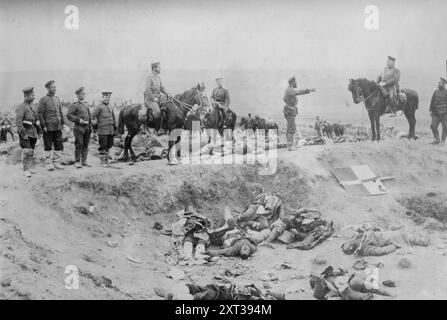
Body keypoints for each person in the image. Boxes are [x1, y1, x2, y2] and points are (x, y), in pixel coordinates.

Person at [38, 80, 65, 171]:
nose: (55, 88)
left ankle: (56, 162)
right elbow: (40, 114)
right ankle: (49, 163)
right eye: (53, 87)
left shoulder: (57, 98)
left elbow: (60, 112)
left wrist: (63, 123)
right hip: (48, 127)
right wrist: (43, 126)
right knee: (48, 144)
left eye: (55, 87)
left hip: (58, 126)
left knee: (58, 144)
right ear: (48, 88)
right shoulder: (43, 99)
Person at [283, 76, 315, 150]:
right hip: (290, 111)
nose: (296, 83)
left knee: (289, 127)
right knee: (292, 128)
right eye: (295, 82)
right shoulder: (290, 90)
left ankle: (290, 144)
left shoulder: (288, 89)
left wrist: (289, 104)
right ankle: (290, 145)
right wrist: (309, 90)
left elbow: (284, 99)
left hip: (289, 110)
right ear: (293, 82)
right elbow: (299, 92)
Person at [15, 87, 41, 178]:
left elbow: (37, 120)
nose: (34, 97)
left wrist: (39, 132)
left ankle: (30, 167)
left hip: (33, 133)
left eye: (34, 95)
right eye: (32, 95)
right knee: (27, 151)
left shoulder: (34, 106)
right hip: (25, 133)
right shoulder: (21, 107)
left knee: (32, 151)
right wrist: (23, 134)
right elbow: (18, 122)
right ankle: (25, 169)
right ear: (26, 96)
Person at [66, 87, 92, 168]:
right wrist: (78, 120)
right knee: (79, 144)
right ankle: (77, 161)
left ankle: (84, 161)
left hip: (87, 128)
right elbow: (69, 115)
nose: (83, 95)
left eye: (84, 93)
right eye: (82, 94)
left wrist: (91, 122)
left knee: (85, 144)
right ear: (77, 95)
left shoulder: (86, 104)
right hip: (79, 128)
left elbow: (89, 115)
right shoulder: (74, 105)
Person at [144, 62, 171, 134]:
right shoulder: (150, 78)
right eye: (159, 67)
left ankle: (164, 128)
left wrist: (167, 93)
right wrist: (153, 98)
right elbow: (147, 90)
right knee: (158, 112)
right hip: (151, 100)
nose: (160, 68)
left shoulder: (159, 78)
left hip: (159, 99)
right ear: (154, 68)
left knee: (167, 108)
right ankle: (156, 130)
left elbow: (162, 88)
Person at [91, 91, 116, 167]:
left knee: (109, 145)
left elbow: (113, 118)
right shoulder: (99, 107)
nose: (107, 99)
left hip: (110, 129)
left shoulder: (111, 106)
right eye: (105, 97)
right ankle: (102, 162)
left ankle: (106, 160)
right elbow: (92, 117)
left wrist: (115, 127)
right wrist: (95, 125)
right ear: (102, 98)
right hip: (102, 130)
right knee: (103, 145)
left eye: (108, 98)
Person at [429, 77, 447, 145]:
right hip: (436, 113)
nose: (438, 84)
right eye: (438, 83)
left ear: (443, 84)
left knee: (445, 127)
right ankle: (437, 139)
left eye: (439, 83)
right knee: (433, 126)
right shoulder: (435, 92)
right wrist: (430, 110)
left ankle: (443, 141)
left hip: (445, 113)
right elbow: (432, 102)